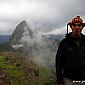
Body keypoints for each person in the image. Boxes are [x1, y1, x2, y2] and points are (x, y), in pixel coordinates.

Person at [56, 16, 85, 85]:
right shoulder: (64, 43)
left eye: (79, 25)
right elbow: (59, 63)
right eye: (74, 25)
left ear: (82, 27)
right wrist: (60, 80)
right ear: (71, 27)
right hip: (68, 79)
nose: (77, 27)